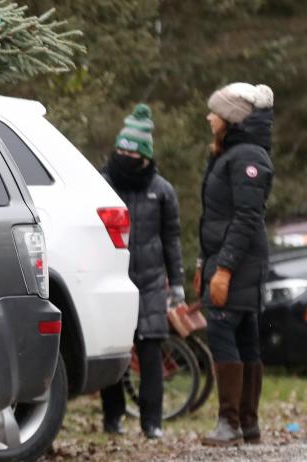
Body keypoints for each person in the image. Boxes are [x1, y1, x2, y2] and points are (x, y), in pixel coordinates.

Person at [100, 104, 184, 439]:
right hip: (110, 280)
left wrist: (176, 283)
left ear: (145, 157)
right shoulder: (101, 183)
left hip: (150, 283)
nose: (123, 156)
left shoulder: (162, 191)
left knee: (150, 355)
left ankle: (153, 422)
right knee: (113, 352)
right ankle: (112, 417)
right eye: (120, 149)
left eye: (130, 152)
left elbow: (172, 239)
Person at [197, 83, 274, 447]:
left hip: (239, 261)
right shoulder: (232, 154)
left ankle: (231, 423)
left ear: (231, 118)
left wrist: (224, 268)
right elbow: (217, 216)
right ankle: (247, 425)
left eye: (215, 111)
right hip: (227, 258)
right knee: (243, 336)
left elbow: (246, 217)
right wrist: (205, 263)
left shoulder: (247, 158)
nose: (209, 116)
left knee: (225, 331)